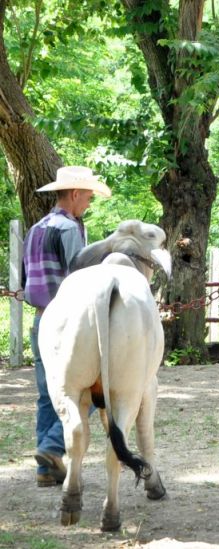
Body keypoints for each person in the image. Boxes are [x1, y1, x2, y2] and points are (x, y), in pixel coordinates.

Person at [22, 166, 112, 487]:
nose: (88, 203)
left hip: (39, 320)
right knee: (90, 392)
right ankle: (51, 447)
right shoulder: (69, 229)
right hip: (69, 322)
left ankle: (47, 469)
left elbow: (23, 281)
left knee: (48, 394)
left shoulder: (35, 229)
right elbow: (80, 278)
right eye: (87, 197)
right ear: (74, 194)